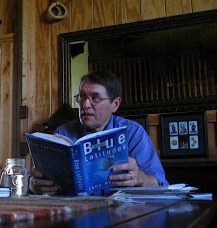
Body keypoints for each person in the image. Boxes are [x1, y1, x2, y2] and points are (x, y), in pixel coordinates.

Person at [29, 70, 168, 195]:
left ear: (115, 104)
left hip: (120, 214)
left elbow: (160, 184)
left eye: (95, 98)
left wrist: (140, 178)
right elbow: (41, 179)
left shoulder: (133, 133)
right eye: (82, 97)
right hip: (76, 213)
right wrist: (34, 185)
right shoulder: (63, 133)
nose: (85, 105)